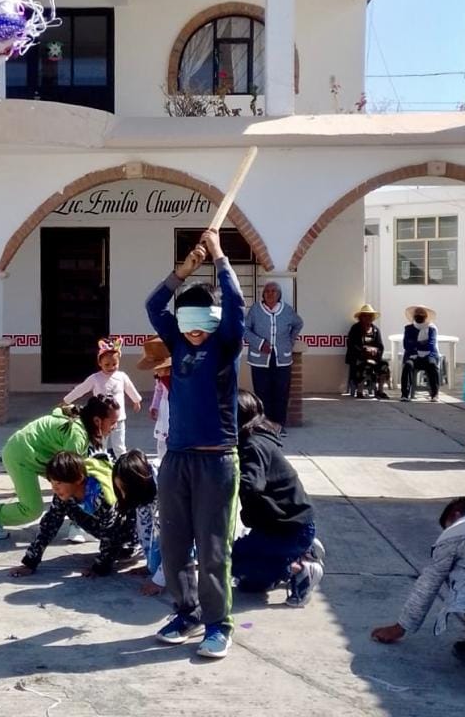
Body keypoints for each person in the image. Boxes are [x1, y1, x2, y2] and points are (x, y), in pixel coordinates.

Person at [146, 227, 244, 661]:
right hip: (177, 458)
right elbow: (152, 305)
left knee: (212, 547)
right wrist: (179, 274)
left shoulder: (224, 345)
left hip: (217, 460)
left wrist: (220, 258)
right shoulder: (177, 343)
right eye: (188, 322)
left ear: (213, 321)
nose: (193, 331)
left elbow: (238, 307)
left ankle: (217, 624)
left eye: (201, 321)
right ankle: (184, 613)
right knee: (173, 544)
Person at [371, 497, 465, 670]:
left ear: (456, 515)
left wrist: (400, 627)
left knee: (461, 574)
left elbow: (429, 583)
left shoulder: (456, 532)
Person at [0, 396, 120, 540]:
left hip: (37, 455)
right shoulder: (77, 436)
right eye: (113, 423)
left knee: (78, 484)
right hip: (20, 456)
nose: (115, 427)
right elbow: (71, 481)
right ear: (97, 421)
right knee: (32, 509)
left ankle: (78, 527)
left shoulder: (83, 422)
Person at [232, 390, 324, 607]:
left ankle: (301, 568)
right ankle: (298, 553)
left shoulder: (252, 446)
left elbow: (251, 484)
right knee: (249, 585)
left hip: (289, 529)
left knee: (228, 561)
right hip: (277, 525)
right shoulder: (257, 436)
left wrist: (223, 479)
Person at [9, 451, 131, 578]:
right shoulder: (64, 494)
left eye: (59, 483)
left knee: (123, 548)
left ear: (78, 479)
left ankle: (130, 548)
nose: (55, 489)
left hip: (128, 532)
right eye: (52, 483)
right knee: (57, 513)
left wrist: (100, 567)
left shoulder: (102, 497)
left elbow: (112, 534)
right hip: (107, 526)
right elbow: (49, 525)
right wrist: (30, 562)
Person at [63, 337, 142, 457]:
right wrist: (67, 400)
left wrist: (136, 400)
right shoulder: (95, 378)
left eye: (114, 364)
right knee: (100, 446)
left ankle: (123, 467)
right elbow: (81, 389)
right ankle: (100, 464)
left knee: (119, 446)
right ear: (99, 363)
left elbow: (130, 389)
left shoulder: (122, 376)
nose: (111, 367)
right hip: (100, 420)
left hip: (118, 419)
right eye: (107, 364)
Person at [245, 281, 304, 431]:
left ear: (279, 295)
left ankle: (279, 425)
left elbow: (298, 323)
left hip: (282, 359)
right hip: (260, 359)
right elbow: (244, 329)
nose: (270, 293)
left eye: (273, 291)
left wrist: (289, 342)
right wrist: (259, 343)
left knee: (281, 393)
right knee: (262, 392)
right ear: (263, 294)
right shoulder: (256, 310)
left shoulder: (287, 311)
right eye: (267, 291)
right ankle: (265, 425)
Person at [113, 448, 165, 596]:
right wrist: (151, 566)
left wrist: (159, 580)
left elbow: (177, 540)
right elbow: (144, 529)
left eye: (125, 489)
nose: (123, 495)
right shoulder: (142, 493)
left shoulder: (165, 488)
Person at [345, 304, 389, 400]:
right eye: (365, 315)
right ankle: (359, 391)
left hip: (374, 357)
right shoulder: (355, 329)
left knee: (384, 364)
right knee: (366, 364)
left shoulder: (375, 330)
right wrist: (364, 351)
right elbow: (351, 344)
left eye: (370, 316)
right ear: (361, 317)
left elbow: (380, 346)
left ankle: (380, 391)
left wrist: (375, 353)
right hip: (358, 357)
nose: (368, 318)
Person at [138, 336, 172, 460]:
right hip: (164, 407)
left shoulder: (178, 378)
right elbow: (158, 391)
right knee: (162, 439)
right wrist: (154, 406)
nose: (156, 372)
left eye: (158, 368)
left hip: (176, 409)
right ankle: (162, 459)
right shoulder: (160, 378)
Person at [401, 305, 440, 401]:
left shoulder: (431, 329)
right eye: (417, 314)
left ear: (426, 317)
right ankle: (405, 394)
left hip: (429, 355)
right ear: (414, 316)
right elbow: (406, 345)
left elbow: (430, 345)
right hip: (412, 356)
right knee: (408, 365)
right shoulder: (408, 328)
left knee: (432, 365)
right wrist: (421, 343)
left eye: (421, 314)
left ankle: (434, 394)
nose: (419, 316)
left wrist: (415, 343)